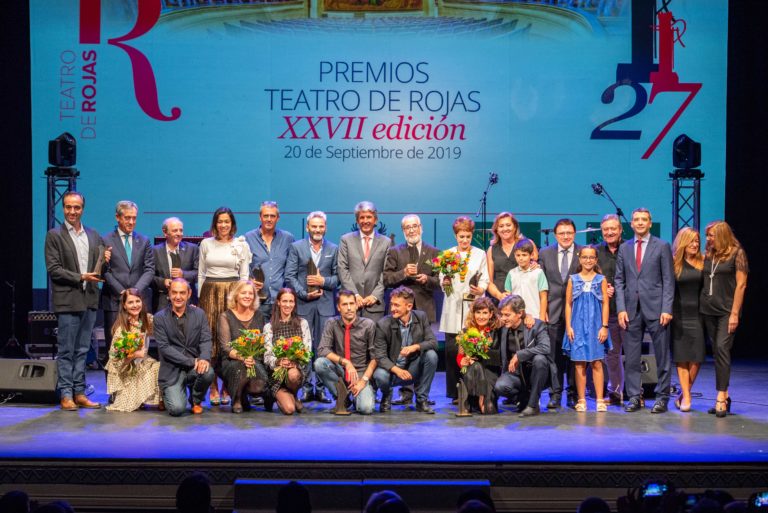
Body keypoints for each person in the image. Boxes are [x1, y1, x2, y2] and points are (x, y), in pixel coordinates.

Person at [44, 190, 106, 410]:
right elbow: (54, 270)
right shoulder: (55, 235)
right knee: (67, 350)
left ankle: (79, 392)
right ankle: (66, 394)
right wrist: (80, 276)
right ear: (63, 208)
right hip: (67, 300)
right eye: (68, 207)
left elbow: (100, 270)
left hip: (89, 299)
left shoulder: (93, 235)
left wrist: (105, 261)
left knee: (83, 350)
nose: (72, 211)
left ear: (82, 209)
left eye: (76, 207)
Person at [614, 208, 674, 413]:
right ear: (631, 224)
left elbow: (668, 280)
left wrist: (667, 308)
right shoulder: (624, 248)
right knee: (631, 356)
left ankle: (662, 397)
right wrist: (621, 308)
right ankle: (633, 396)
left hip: (657, 309)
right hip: (631, 309)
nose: (640, 223)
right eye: (636, 220)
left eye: (644, 220)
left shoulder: (662, 246)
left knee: (662, 355)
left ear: (650, 223)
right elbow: (619, 279)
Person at [383, 214, 439, 406]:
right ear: (403, 231)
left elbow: (441, 282)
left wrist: (427, 279)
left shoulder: (434, 252)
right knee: (402, 349)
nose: (412, 230)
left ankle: (422, 394)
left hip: (424, 308)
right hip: (401, 311)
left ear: (421, 228)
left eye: (415, 226)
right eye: (407, 227)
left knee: (424, 351)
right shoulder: (395, 251)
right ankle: (405, 394)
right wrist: (403, 273)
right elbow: (387, 279)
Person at [198, 207, 252, 406]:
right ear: (215, 223)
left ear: (232, 224)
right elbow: (201, 274)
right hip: (209, 294)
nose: (223, 225)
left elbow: (244, 275)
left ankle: (227, 387)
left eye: (227, 221)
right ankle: (212, 386)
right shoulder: (205, 244)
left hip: (232, 293)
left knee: (230, 339)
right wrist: (200, 297)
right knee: (211, 338)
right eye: (220, 221)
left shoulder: (241, 245)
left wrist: (241, 298)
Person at [285, 211, 339, 403]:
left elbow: (338, 278)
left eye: (321, 226)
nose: (317, 230)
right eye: (314, 226)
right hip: (303, 304)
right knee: (305, 348)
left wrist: (322, 280)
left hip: (325, 306)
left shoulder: (334, 248)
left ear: (325, 227)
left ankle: (322, 388)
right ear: (307, 227)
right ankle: (307, 387)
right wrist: (303, 294)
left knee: (323, 348)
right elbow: (290, 276)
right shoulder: (296, 248)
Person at [700, 221, 748, 417]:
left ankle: (720, 396)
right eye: (707, 235)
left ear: (722, 235)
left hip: (727, 311)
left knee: (721, 348)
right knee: (717, 351)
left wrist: (735, 313)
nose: (709, 239)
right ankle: (725, 395)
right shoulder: (709, 254)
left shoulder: (737, 253)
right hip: (708, 309)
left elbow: (741, 285)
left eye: (712, 235)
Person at [438, 216, 489, 401]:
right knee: (452, 351)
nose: (464, 240)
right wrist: (444, 281)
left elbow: (485, 278)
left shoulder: (480, 254)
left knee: (470, 349)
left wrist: (481, 289)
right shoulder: (448, 254)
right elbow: (442, 279)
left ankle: (472, 390)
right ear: (455, 235)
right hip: (452, 307)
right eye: (461, 236)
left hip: (471, 306)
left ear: (471, 235)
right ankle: (454, 392)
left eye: (467, 236)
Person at [101, 200, 155, 363]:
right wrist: (123, 293)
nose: (131, 222)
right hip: (114, 301)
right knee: (114, 347)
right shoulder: (105, 240)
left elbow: (149, 269)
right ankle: (116, 389)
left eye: (134, 218)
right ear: (118, 217)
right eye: (127, 218)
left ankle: (136, 387)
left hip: (139, 302)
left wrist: (134, 294)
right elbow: (105, 271)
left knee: (139, 348)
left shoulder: (144, 241)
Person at [536, 218, 581, 410]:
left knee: (574, 355)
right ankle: (555, 394)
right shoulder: (545, 253)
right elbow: (540, 285)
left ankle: (573, 394)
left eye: (569, 233)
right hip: (552, 312)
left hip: (578, 313)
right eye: (562, 233)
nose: (565, 236)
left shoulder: (583, 252)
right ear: (555, 235)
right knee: (553, 357)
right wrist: (542, 311)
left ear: (574, 234)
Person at [155, 279, 215, 416]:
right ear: (169, 294)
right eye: (174, 292)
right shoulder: (159, 318)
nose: (178, 297)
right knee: (177, 410)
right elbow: (164, 348)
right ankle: (166, 394)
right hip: (172, 369)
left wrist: (204, 358)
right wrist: (192, 361)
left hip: (192, 367)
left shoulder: (199, 314)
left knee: (208, 372)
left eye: (182, 293)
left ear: (189, 294)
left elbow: (205, 339)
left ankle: (196, 400)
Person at [374, 286, 438, 414]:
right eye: (391, 304)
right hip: (392, 370)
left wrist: (415, 347)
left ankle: (421, 400)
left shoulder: (421, 317)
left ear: (409, 306)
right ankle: (386, 395)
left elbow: (433, 342)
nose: (392, 309)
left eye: (397, 305)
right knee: (379, 375)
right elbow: (380, 356)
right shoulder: (383, 324)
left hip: (411, 369)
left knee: (431, 355)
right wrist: (396, 370)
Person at [563, 246, 612, 412]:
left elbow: (605, 303)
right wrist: (568, 326)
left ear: (596, 260)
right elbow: (568, 304)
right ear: (580, 259)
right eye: (585, 257)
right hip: (577, 326)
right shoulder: (573, 279)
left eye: (591, 257)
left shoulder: (601, 279)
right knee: (579, 364)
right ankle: (581, 399)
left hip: (596, 326)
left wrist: (604, 326)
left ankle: (599, 399)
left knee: (597, 362)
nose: (588, 260)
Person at [314, 290, 377, 415]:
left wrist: (363, 381)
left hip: (360, 372)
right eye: (344, 304)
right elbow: (322, 349)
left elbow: (375, 358)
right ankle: (343, 398)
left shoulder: (368, 325)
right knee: (319, 363)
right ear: (338, 307)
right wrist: (346, 362)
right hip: (340, 370)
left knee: (366, 409)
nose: (349, 308)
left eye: (352, 303)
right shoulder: (332, 323)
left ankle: (359, 395)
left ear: (356, 305)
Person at [493, 295, 551, 417]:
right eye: (502, 314)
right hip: (515, 375)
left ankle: (533, 405)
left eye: (507, 315)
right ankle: (523, 398)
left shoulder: (536, 325)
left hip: (535, 373)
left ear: (519, 313)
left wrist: (520, 355)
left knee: (540, 359)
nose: (503, 318)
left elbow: (545, 347)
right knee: (500, 386)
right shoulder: (503, 328)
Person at [105, 288, 162, 412]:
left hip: (141, 363)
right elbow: (116, 360)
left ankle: (160, 400)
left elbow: (163, 324)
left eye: (137, 301)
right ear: (124, 306)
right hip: (126, 370)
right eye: (130, 302)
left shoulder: (146, 319)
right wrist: (135, 354)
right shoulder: (122, 329)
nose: (135, 305)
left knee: (158, 367)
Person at [218, 280, 269, 414]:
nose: (247, 296)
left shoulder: (259, 316)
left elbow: (263, 342)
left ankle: (245, 395)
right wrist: (243, 357)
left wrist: (252, 357)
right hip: (232, 360)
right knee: (241, 369)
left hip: (254, 359)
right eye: (243, 293)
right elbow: (226, 347)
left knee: (259, 385)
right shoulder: (226, 316)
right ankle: (237, 399)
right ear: (236, 295)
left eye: (250, 293)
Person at [338, 201, 392, 321]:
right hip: (350, 304)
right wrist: (354, 295)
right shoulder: (346, 240)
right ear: (357, 221)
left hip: (374, 305)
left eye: (369, 217)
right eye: (361, 217)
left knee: (374, 339)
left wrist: (375, 295)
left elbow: (387, 272)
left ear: (375, 220)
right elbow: (342, 269)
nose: (365, 220)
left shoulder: (386, 242)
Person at [670, 227, 705, 412]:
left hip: (698, 315)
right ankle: (687, 397)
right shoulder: (674, 263)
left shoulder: (703, 262)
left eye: (697, 241)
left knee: (697, 357)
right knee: (682, 358)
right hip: (678, 315)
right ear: (683, 242)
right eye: (691, 241)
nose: (695, 244)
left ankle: (684, 393)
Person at [263, 288, 313, 415]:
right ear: (278, 302)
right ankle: (275, 395)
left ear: (295, 303)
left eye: (291, 301)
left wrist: (295, 363)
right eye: (284, 301)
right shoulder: (269, 327)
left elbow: (307, 351)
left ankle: (294, 395)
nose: (288, 305)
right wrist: (279, 361)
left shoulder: (302, 323)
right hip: (277, 375)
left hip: (295, 371)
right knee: (289, 410)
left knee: (293, 374)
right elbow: (267, 356)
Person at [244, 201, 296, 319]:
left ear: (278, 218)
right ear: (260, 217)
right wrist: (249, 281)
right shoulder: (248, 238)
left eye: (272, 216)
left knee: (281, 337)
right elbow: (242, 268)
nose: (269, 219)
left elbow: (292, 269)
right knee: (258, 336)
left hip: (281, 302)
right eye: (265, 216)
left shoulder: (288, 238)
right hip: (257, 300)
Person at [596, 214, 625, 405]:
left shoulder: (630, 249)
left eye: (613, 228)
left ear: (620, 230)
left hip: (631, 310)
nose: (609, 232)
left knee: (632, 354)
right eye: (606, 229)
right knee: (612, 354)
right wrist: (602, 288)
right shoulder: (596, 252)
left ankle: (634, 393)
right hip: (608, 312)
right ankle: (615, 393)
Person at [456, 297, 502, 414]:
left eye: (485, 313)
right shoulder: (466, 331)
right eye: (478, 312)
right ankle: (479, 397)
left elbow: (499, 357)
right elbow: (460, 355)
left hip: (490, 372)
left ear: (491, 314)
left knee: (489, 410)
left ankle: (483, 396)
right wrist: (462, 361)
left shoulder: (498, 331)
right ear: (473, 313)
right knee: (476, 366)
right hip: (472, 372)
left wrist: (482, 352)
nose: (481, 316)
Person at [486, 211, 538, 302]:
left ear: (515, 227)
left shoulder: (528, 243)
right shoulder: (491, 250)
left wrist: (535, 264)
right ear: (496, 230)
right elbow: (489, 282)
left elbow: (537, 267)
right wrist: (499, 296)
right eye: (501, 226)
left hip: (524, 298)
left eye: (508, 225)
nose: (505, 229)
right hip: (499, 300)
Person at [151, 217, 199, 312]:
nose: (179, 233)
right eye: (175, 230)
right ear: (165, 232)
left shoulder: (192, 249)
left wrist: (183, 275)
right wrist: (163, 282)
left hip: (187, 302)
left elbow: (199, 273)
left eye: (181, 230)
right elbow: (149, 276)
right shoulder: (154, 251)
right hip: (162, 303)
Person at [503, 238, 548, 320]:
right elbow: (508, 297)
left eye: (524, 255)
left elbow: (543, 297)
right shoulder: (511, 273)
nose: (521, 258)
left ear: (531, 255)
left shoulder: (538, 273)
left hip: (535, 316)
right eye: (518, 255)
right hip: (516, 318)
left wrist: (541, 318)